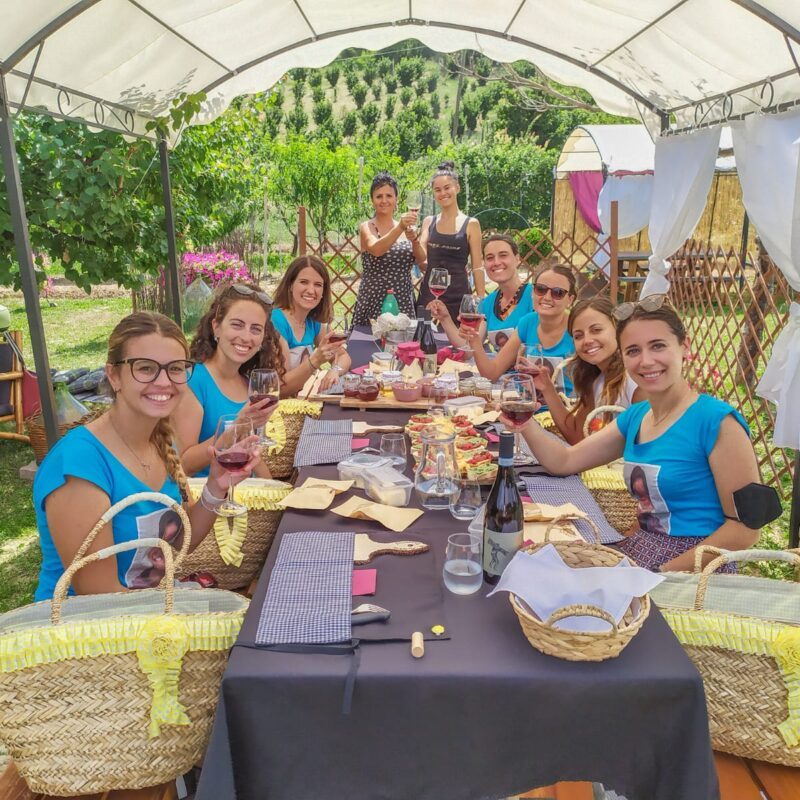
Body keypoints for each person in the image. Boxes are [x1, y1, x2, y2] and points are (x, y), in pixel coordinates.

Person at [501, 296, 760, 572]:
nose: (646, 361)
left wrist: (661, 574)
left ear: (684, 347)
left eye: (658, 346)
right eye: (633, 351)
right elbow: (564, 461)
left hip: (694, 570)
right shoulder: (637, 417)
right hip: (642, 550)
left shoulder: (716, 422)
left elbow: (745, 530)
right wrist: (525, 422)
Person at [33, 311, 261, 600]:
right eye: (145, 368)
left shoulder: (161, 441)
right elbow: (99, 597)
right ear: (114, 375)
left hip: (145, 613)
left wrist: (216, 486)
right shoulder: (79, 464)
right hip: (84, 632)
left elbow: (176, 544)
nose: (164, 381)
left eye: (176, 368)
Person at [175, 281, 282, 477]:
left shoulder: (248, 384)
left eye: (256, 329)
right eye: (237, 325)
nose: (246, 337)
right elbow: (184, 465)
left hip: (248, 494)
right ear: (216, 327)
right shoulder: (194, 381)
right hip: (211, 499)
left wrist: (275, 493)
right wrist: (236, 427)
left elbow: (255, 460)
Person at [532, 296, 643, 443]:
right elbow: (577, 435)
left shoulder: (636, 382)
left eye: (596, 330)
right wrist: (547, 388)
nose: (587, 340)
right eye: (578, 336)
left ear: (618, 328)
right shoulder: (596, 380)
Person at [463, 263, 576, 388]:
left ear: (570, 299)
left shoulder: (576, 327)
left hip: (568, 405)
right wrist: (474, 339)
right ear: (533, 292)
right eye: (541, 289)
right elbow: (491, 374)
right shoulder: (528, 322)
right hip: (525, 404)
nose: (547, 297)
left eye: (558, 292)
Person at [427, 234, 533, 351]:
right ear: (484, 263)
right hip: (498, 368)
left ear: (517, 259)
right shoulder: (489, 302)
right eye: (490, 258)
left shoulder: (536, 297)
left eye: (503, 255)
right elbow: (469, 349)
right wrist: (445, 318)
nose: (496, 262)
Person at [270, 255, 352, 395]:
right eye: (304, 282)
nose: (311, 290)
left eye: (318, 285)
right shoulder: (276, 322)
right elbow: (279, 389)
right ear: (290, 285)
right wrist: (315, 360)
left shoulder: (313, 321)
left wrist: (334, 371)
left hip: (305, 401)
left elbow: (344, 357)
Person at [352, 171, 426, 325]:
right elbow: (376, 249)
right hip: (374, 299)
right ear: (372, 200)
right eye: (379, 196)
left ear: (396, 199)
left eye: (389, 196)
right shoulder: (367, 226)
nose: (384, 200)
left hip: (403, 299)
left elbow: (421, 259)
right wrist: (400, 227)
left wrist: (415, 240)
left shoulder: (406, 227)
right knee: (369, 347)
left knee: (404, 347)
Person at [416, 161, 484, 318]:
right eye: (437, 190)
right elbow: (420, 256)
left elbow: (477, 266)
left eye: (447, 188)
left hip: (458, 297)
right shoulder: (428, 222)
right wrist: (413, 239)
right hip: (429, 296)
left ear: (457, 188)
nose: (443, 193)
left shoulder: (471, 224)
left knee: (459, 341)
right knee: (425, 340)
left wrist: (481, 300)